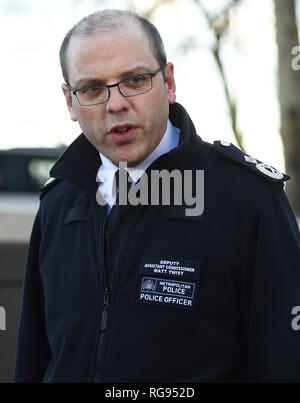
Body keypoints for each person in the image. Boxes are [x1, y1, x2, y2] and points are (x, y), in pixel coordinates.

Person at [14, 9, 300, 383]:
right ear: (70, 101)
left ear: (169, 81)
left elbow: (284, 361)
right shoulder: (58, 202)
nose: (115, 104)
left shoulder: (247, 199)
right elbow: (33, 358)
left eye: (134, 80)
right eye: (93, 88)